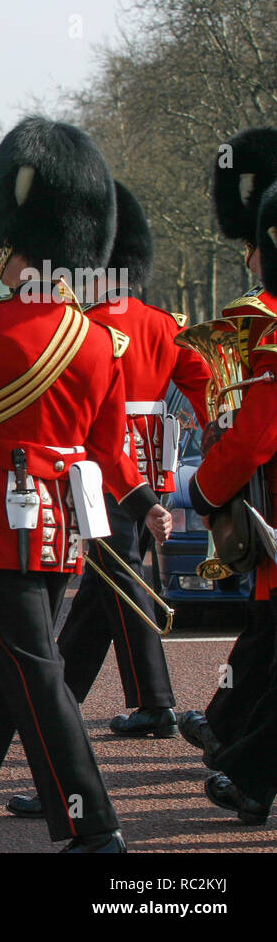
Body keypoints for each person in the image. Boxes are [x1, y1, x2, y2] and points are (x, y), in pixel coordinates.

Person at [0, 116, 172, 853]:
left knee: (35, 675)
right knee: (5, 669)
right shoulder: (97, 340)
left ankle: (92, 823)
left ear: (18, 251)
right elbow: (110, 450)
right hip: (64, 524)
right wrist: (144, 503)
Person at [0, 183, 214, 819]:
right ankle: (122, 700)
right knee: (107, 587)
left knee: (117, 581)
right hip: (153, 466)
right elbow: (202, 384)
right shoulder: (163, 324)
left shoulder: (84, 329)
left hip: (97, 470)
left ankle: (137, 703)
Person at [178, 127, 277, 766]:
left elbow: (257, 437)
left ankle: (243, 761)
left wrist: (206, 487)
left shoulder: (267, 321)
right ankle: (232, 740)